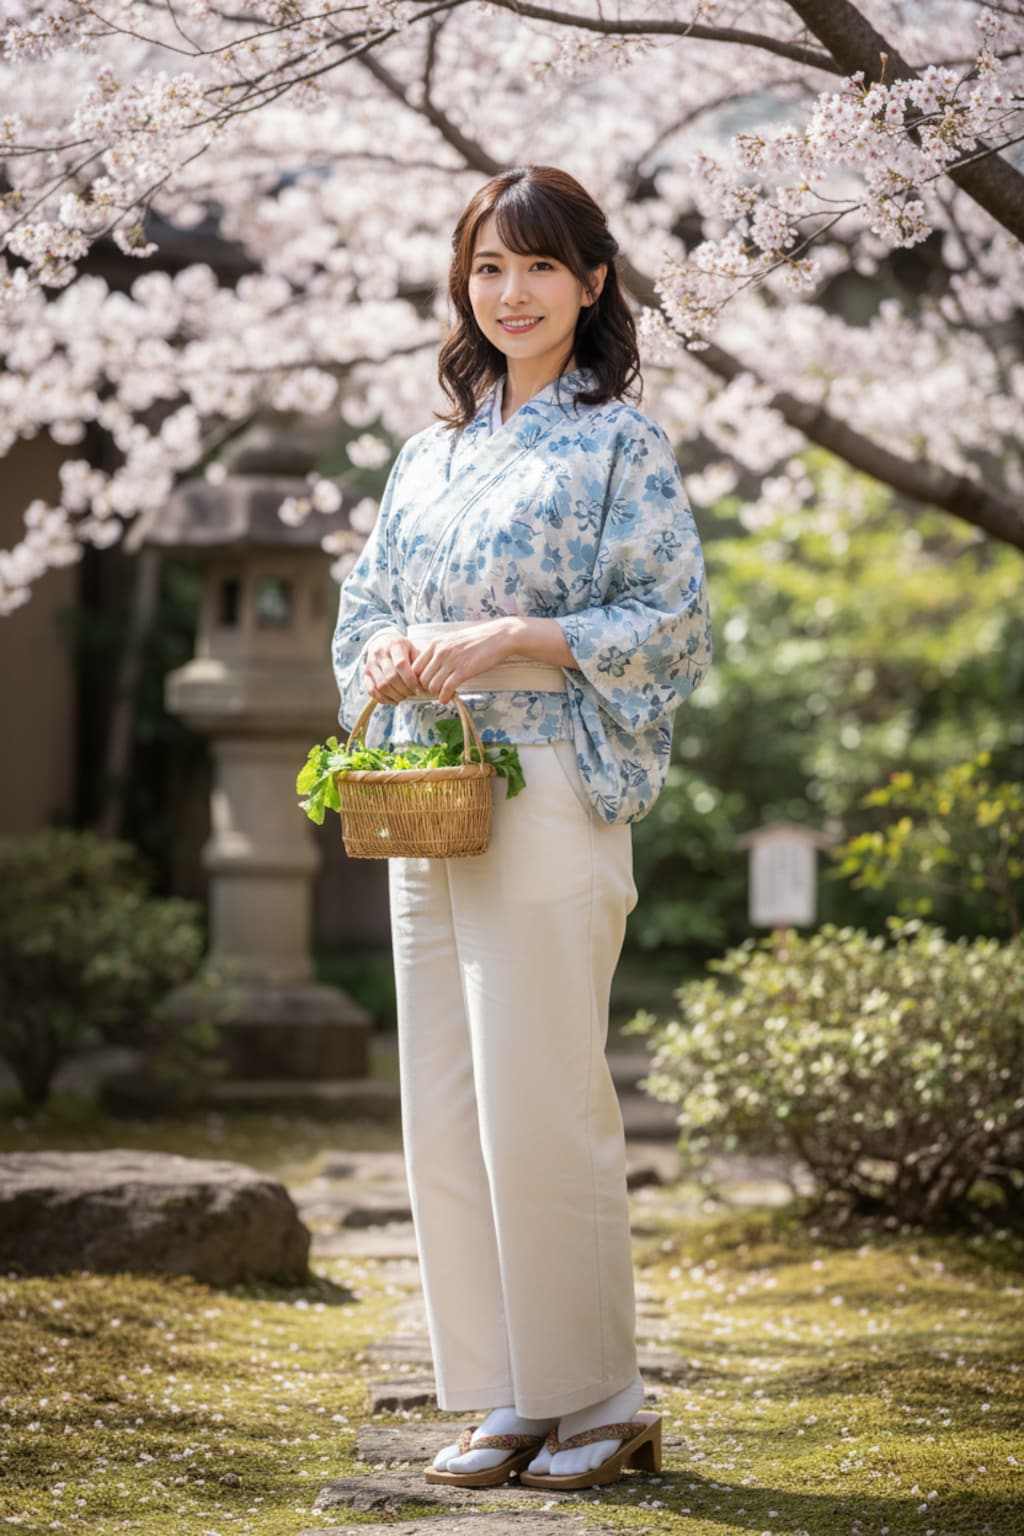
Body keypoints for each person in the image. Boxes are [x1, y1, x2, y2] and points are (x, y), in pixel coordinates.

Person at [331, 164, 712, 1492]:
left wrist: (523, 636)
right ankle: (500, 1391)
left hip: (548, 789)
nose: (511, 292)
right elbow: (364, 605)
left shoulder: (623, 445)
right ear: (464, 284)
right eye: (489, 267)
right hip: (428, 793)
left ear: (593, 282)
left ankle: (599, 1394)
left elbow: (671, 629)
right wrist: (382, 658)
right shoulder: (429, 452)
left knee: (544, 1098)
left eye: (540, 266)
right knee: (443, 1104)